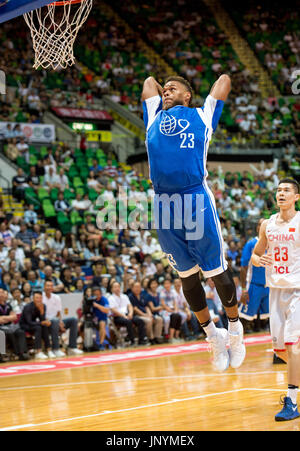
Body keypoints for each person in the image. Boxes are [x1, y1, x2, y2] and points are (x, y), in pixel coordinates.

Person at [141, 73, 245, 371]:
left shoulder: (202, 114)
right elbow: (149, 82)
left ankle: (235, 330)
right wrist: (166, 94)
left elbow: (224, 79)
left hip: (194, 197)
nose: (166, 92)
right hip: (163, 203)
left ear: (188, 96)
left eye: (174, 89)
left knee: (216, 272)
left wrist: (186, 96)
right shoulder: (153, 115)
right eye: (166, 90)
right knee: (187, 276)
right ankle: (213, 335)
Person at [251, 178, 300, 421]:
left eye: (286, 190)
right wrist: (257, 260)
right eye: (279, 190)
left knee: (293, 347)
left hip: (297, 291)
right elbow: (256, 254)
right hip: (276, 290)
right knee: (281, 352)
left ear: (296, 197)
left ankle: (291, 402)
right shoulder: (267, 225)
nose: (281, 193)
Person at [240, 219, 270, 333]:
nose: (261, 226)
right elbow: (243, 267)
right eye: (259, 224)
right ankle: (236, 344)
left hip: (268, 286)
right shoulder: (251, 244)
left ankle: (277, 349)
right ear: (258, 228)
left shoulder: (272, 243)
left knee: (271, 318)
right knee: (245, 317)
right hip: (253, 285)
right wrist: (243, 289)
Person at [42, 280, 83, 356]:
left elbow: (58, 313)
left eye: (51, 286)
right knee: (55, 321)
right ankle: (56, 349)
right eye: (47, 286)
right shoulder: (41, 297)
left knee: (73, 320)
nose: (49, 287)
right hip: (46, 323)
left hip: (56, 321)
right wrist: (56, 321)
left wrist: (60, 322)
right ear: (44, 287)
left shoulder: (56, 297)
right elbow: (41, 314)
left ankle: (72, 347)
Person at [108, 281, 148, 346]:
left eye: (118, 286)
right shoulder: (110, 298)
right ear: (112, 289)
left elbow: (130, 306)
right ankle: (132, 341)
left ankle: (142, 340)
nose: (117, 288)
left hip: (127, 314)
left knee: (140, 321)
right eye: (115, 287)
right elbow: (114, 310)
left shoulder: (124, 296)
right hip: (117, 317)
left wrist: (131, 313)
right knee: (128, 322)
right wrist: (124, 316)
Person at [19, 291, 52, 360]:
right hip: (24, 325)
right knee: (38, 327)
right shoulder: (28, 307)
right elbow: (29, 322)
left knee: (44, 326)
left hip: (33, 324)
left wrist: (42, 312)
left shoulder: (43, 306)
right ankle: (38, 352)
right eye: (37, 298)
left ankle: (48, 350)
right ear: (33, 299)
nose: (39, 300)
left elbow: (42, 319)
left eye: (40, 298)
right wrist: (42, 323)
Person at [0, 288, 29, 361]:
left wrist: (3, 317)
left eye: (2, 292)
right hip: (1, 327)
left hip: (9, 326)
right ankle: (3, 355)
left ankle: (22, 353)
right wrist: (8, 317)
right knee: (3, 333)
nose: (1, 294)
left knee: (20, 332)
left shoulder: (8, 305)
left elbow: (15, 317)